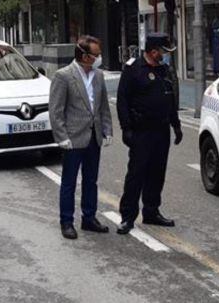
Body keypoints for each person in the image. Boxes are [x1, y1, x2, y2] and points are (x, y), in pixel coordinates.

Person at [116, 32, 182, 235]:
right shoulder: (133, 69)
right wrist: (126, 128)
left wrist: (176, 125)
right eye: (163, 51)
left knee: (157, 173)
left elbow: (170, 98)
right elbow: (122, 100)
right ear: (154, 51)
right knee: (136, 174)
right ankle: (127, 217)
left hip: (161, 130)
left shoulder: (164, 70)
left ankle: (151, 211)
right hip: (141, 131)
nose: (165, 55)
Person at [48, 35, 113, 240]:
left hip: (94, 136)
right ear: (84, 56)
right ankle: (66, 221)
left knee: (91, 180)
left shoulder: (99, 75)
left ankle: (89, 218)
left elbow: (103, 106)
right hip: (73, 137)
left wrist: (107, 130)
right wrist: (62, 137)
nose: (99, 57)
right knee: (69, 182)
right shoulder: (63, 76)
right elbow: (55, 110)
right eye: (96, 54)